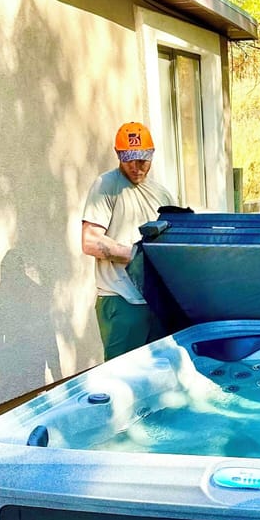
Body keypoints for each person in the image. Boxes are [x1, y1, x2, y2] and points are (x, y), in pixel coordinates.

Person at [81, 121, 174, 359]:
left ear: (151, 155)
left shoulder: (161, 193)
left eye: (142, 159)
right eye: (128, 159)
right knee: (120, 380)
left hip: (155, 301)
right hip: (121, 300)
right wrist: (136, 255)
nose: (136, 166)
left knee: (158, 377)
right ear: (118, 155)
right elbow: (90, 240)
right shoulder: (106, 186)